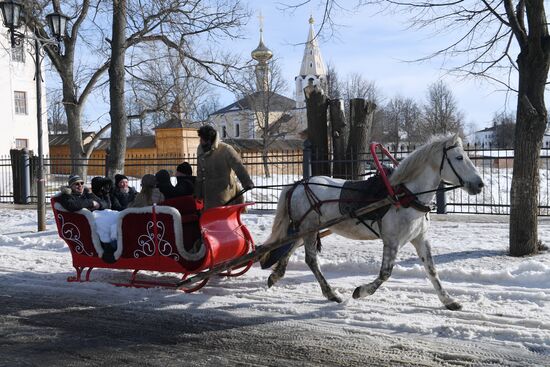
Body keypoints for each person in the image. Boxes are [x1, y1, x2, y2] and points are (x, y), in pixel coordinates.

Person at [195, 125, 254, 209]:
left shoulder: (226, 149)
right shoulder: (200, 150)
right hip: (208, 194)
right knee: (211, 218)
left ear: (209, 140)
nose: (200, 141)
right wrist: (198, 193)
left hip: (225, 194)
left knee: (223, 217)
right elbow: (200, 173)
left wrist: (247, 182)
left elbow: (238, 166)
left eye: (202, 139)